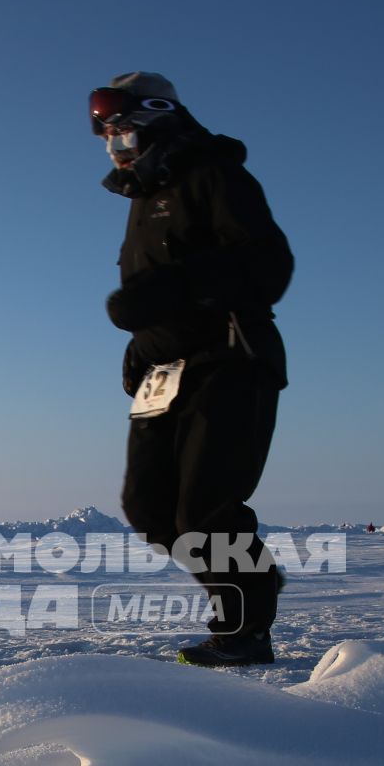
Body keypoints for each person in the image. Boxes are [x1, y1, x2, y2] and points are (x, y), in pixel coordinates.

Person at [92, 72, 294, 667]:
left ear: (157, 116)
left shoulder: (216, 176)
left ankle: (243, 633)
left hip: (231, 358)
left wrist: (166, 292)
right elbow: (158, 295)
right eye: (105, 131)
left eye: (120, 126)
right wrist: (142, 343)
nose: (112, 140)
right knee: (149, 508)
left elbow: (267, 266)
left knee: (206, 509)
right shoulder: (143, 197)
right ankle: (251, 581)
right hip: (166, 371)